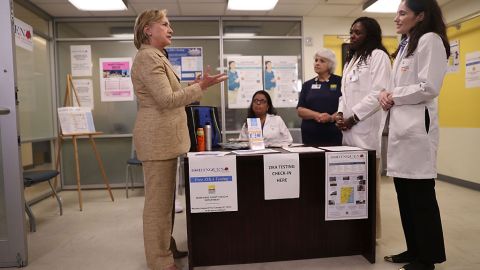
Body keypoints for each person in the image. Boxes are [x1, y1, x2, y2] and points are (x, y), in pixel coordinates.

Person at [131, 9, 227, 270]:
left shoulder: (155, 56)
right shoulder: (148, 58)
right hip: (157, 141)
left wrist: (193, 85)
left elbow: (169, 95)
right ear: (148, 30)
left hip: (164, 140)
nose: (170, 29)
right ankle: (160, 261)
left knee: (165, 204)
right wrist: (201, 87)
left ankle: (166, 248)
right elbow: (166, 101)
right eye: (164, 24)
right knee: (157, 207)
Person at [378, 1, 450, 270]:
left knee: (420, 199)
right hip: (401, 130)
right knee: (405, 196)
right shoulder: (408, 43)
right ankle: (414, 250)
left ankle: (427, 258)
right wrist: (385, 93)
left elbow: (429, 87)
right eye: (397, 13)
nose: (396, 18)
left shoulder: (430, 40)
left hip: (417, 131)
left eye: (402, 13)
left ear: (420, 16)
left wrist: (394, 95)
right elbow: (398, 86)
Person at [335, 17, 391, 239]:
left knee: (368, 189)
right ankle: (352, 230)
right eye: (352, 32)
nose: (353, 36)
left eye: (358, 33)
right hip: (348, 134)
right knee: (349, 186)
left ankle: (370, 236)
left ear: (371, 35)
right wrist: (340, 113)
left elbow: (378, 94)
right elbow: (344, 94)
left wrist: (352, 118)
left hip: (366, 133)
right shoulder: (352, 60)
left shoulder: (379, 57)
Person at [297, 48, 342, 146]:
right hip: (310, 135)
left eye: (322, 61)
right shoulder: (307, 85)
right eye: (316, 60)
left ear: (330, 64)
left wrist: (330, 118)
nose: (317, 63)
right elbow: (300, 110)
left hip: (333, 133)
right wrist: (317, 115)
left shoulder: (340, 82)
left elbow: (346, 106)